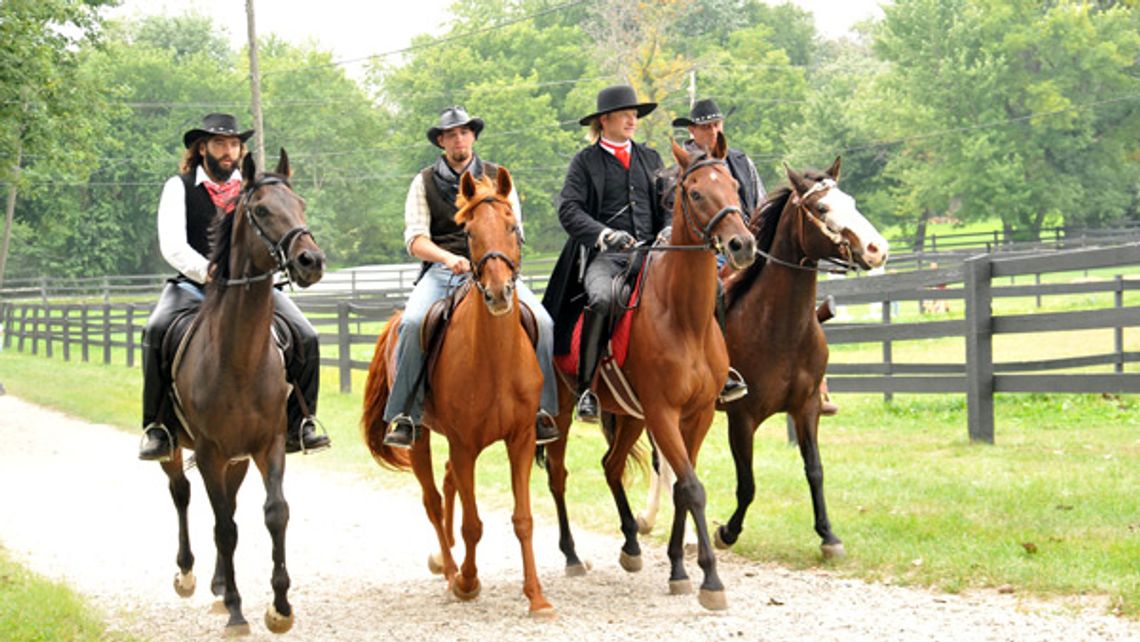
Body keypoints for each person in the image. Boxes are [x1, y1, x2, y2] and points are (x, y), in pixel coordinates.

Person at [137, 112, 330, 461]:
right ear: (202, 148)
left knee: (306, 334)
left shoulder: (255, 187)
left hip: (250, 288)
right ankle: (158, 426)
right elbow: (172, 244)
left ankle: (301, 420)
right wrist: (204, 270)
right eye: (220, 144)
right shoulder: (178, 187)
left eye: (234, 144)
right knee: (156, 329)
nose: (229, 151)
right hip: (196, 286)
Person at [381, 106, 560, 448]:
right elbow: (415, 239)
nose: (458, 139)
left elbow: (515, 230)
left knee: (544, 322)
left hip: (495, 268)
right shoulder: (424, 182)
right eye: (450, 134)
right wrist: (449, 258)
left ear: (473, 136)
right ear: (441, 142)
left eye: (464, 132)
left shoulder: (499, 178)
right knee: (414, 322)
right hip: (443, 270)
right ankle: (405, 414)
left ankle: (542, 410)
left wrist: (501, 264)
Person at [541, 85, 668, 423]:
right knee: (600, 299)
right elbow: (569, 210)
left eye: (635, 114)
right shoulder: (584, 162)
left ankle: (723, 372)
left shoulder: (651, 158)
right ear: (605, 119)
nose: (633, 119)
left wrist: (668, 228)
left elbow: (669, 202)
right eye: (626, 113)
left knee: (709, 287)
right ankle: (586, 389)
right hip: (608, 257)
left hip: (655, 254)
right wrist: (605, 234)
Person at [667, 98, 767, 403]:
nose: (713, 131)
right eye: (706, 126)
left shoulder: (741, 161)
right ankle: (723, 371)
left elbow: (760, 205)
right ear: (693, 130)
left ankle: (814, 377)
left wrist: (754, 236)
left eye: (717, 125)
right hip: (707, 252)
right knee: (717, 292)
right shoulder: (681, 167)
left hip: (747, 243)